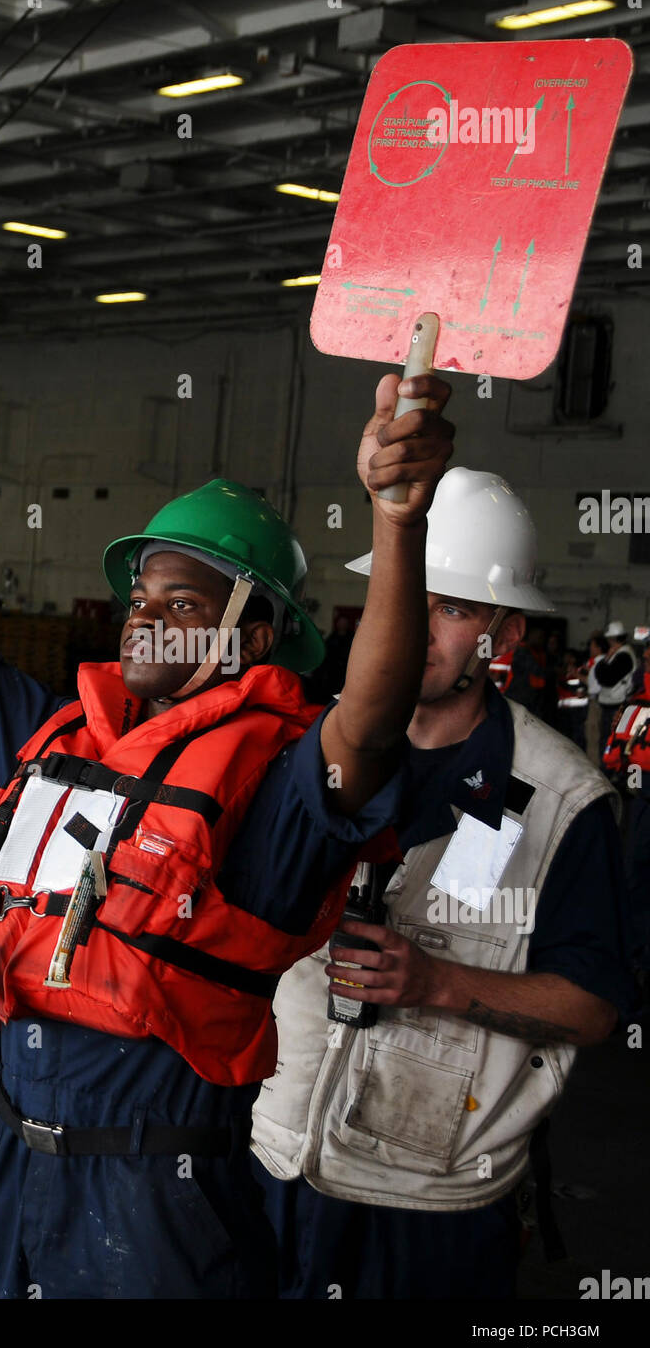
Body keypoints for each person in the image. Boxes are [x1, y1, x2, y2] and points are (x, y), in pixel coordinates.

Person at [0, 364, 453, 1300]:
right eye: (139, 602)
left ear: (246, 641)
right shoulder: (53, 740)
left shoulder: (274, 793)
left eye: (182, 608)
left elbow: (367, 722)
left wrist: (397, 525)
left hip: (152, 1198)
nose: (145, 623)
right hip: (8, 1165)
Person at [251, 467, 638, 1300]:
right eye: (408, 596)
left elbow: (594, 1008)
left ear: (505, 631)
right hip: (275, 1160)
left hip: (428, 1203)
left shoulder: (559, 799)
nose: (418, 631)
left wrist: (435, 983)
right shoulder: (301, 746)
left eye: (454, 609)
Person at [595, 620, 639, 755]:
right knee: (607, 741)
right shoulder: (620, 654)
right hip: (612, 705)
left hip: (616, 706)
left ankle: (609, 771)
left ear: (612, 639)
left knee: (610, 743)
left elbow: (606, 679)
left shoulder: (623, 656)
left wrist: (603, 661)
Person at [502, 623, 547, 719]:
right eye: (539, 637)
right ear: (531, 636)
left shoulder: (538, 652)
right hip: (519, 695)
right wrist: (553, 672)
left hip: (532, 696)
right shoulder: (522, 650)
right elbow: (535, 670)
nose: (542, 640)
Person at [581, 633, 609, 765]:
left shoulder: (600, 664)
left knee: (593, 736)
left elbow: (596, 688)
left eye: (592, 646)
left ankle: (593, 765)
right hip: (597, 702)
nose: (590, 649)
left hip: (596, 704)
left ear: (598, 648)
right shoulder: (603, 662)